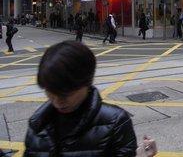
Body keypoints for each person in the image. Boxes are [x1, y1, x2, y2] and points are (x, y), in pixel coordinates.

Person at [23, 41, 157, 157]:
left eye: (65, 94)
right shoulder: (37, 124)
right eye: (50, 92)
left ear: (87, 82)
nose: (57, 101)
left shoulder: (116, 123)